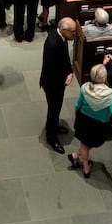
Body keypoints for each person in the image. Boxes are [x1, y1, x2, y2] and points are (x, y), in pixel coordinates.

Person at [39, 17, 76, 154]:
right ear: (63, 30)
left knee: (57, 106)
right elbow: (53, 69)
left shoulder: (61, 37)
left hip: (58, 80)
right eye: (73, 32)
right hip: (52, 83)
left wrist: (70, 71)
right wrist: (66, 76)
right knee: (53, 108)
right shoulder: (53, 44)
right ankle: (51, 136)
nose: (74, 35)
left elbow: (64, 58)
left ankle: (54, 125)